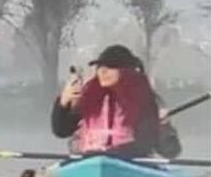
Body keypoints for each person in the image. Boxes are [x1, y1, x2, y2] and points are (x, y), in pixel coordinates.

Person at [51, 44, 181, 159]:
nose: (102, 70)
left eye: (111, 66)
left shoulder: (144, 102)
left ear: (127, 70)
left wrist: (162, 128)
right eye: (100, 66)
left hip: (128, 166)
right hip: (89, 162)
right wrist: (63, 102)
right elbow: (61, 130)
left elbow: (165, 150)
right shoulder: (88, 100)